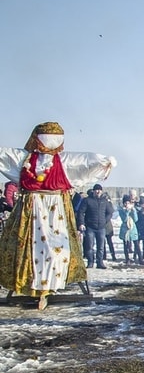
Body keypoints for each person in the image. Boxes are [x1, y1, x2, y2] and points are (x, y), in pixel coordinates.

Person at [0, 122, 116, 308]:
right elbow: (85, 159)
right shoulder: (27, 160)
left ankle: (48, 286)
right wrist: (103, 160)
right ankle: (34, 285)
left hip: (55, 211)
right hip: (32, 210)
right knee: (32, 247)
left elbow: (84, 160)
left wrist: (104, 161)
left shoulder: (61, 160)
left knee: (55, 248)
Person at [77, 184, 113, 269]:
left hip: (101, 227)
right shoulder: (87, 200)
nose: (98, 191)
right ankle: (90, 262)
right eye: (96, 190)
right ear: (93, 191)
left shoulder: (104, 201)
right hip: (90, 226)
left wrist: (105, 221)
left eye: (99, 190)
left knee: (100, 246)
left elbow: (110, 212)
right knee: (90, 246)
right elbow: (81, 212)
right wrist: (81, 223)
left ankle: (100, 262)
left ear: (101, 191)